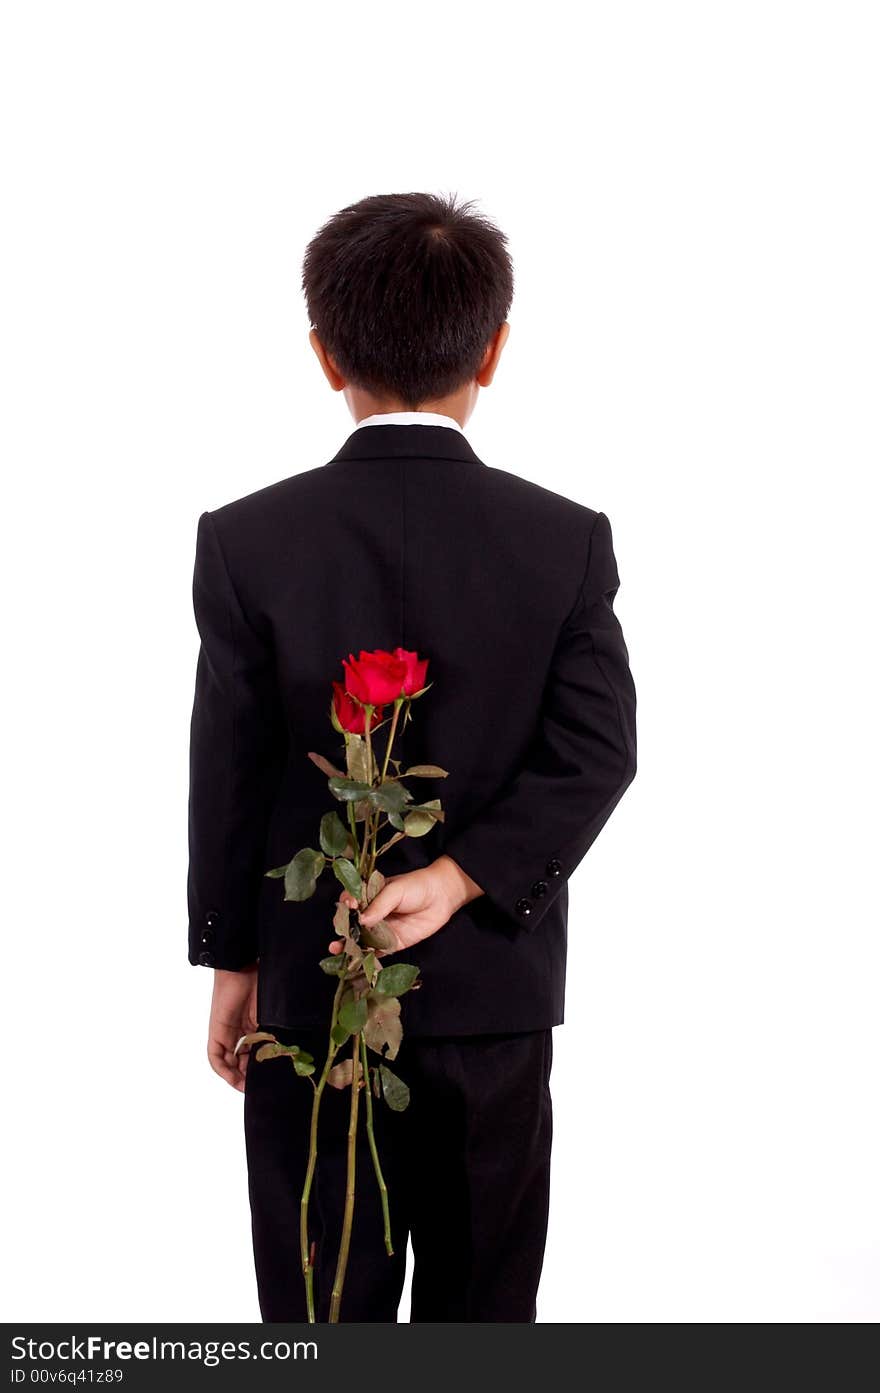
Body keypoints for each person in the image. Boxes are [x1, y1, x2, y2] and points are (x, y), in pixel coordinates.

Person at [186, 191, 637, 1322]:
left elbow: (228, 773)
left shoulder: (248, 540)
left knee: (318, 1312)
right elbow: (596, 750)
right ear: (493, 348)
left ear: (323, 353)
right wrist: (459, 879)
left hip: (309, 997)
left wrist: (230, 963)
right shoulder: (561, 540)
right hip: (493, 996)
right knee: (483, 1318)